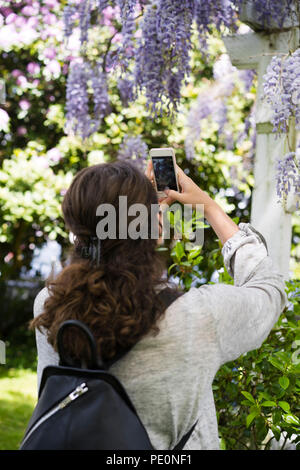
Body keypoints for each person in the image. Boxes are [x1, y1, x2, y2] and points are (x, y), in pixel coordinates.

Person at [31, 159, 287, 450]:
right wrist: (208, 206)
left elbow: (111, 251)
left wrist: (144, 224)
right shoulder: (196, 316)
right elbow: (270, 288)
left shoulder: (50, 305)